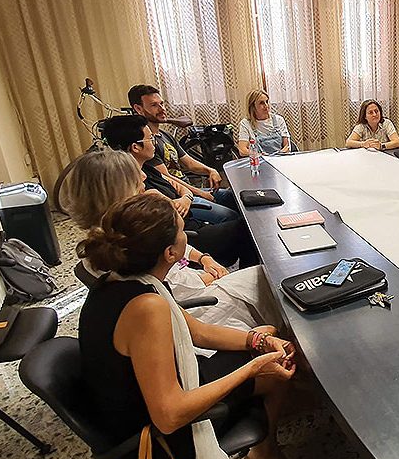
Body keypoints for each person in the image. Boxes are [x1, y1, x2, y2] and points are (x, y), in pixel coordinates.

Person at [77, 194, 304, 459]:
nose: (187, 237)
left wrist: (258, 340)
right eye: (183, 231)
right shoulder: (146, 307)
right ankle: (265, 452)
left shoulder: (118, 280)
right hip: (156, 440)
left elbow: (198, 332)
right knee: (272, 372)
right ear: (171, 253)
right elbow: (170, 416)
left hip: (141, 402)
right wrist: (252, 369)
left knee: (262, 338)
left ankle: (262, 447)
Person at [58, 149, 283, 333]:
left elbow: (171, 248)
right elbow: (170, 290)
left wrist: (203, 258)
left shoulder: (116, 232)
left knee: (266, 280)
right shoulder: (125, 244)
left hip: (193, 289)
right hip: (194, 308)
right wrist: (212, 274)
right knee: (274, 286)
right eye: (135, 175)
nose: (144, 176)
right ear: (115, 190)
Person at [101, 114, 258, 268]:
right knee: (246, 227)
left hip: (189, 220)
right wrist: (182, 199)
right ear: (135, 147)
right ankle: (252, 274)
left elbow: (179, 186)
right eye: (150, 139)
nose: (154, 142)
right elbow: (172, 215)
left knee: (236, 199)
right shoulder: (136, 185)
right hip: (183, 236)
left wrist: (185, 198)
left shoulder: (147, 167)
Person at [129, 84, 239, 222]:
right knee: (231, 217)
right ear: (138, 109)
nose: (162, 109)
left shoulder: (165, 135)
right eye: (154, 105)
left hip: (189, 192)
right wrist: (199, 193)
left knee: (236, 198)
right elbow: (166, 177)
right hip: (179, 199)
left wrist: (210, 170)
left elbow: (189, 163)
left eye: (162, 104)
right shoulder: (146, 146)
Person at [236, 89, 291, 156]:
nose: (266, 105)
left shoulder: (279, 120)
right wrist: (258, 154)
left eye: (267, 101)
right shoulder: (246, 123)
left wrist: (278, 155)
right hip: (260, 161)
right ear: (253, 106)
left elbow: (287, 146)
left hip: (279, 159)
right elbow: (242, 150)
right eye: (261, 103)